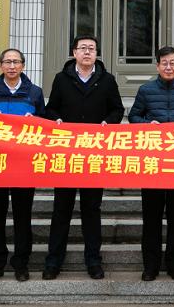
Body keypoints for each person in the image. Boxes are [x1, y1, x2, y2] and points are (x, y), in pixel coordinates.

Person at [40, 35, 124, 280]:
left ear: (97, 53)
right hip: (67, 154)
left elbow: (117, 109)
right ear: (74, 52)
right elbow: (51, 108)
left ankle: (93, 261)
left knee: (91, 209)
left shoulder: (107, 80)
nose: (87, 52)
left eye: (92, 49)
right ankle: (53, 261)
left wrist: (108, 122)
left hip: (93, 154)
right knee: (61, 209)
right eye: (83, 48)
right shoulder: (61, 78)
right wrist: (55, 119)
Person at [128, 46, 174, 281]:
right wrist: (146, 125)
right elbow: (133, 117)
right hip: (152, 162)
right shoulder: (146, 90)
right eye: (164, 63)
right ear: (157, 66)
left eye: (172, 63)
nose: (168, 67)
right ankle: (150, 266)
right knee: (151, 217)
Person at [0, 47, 46, 283]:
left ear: (23, 66)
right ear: (0, 66)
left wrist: (34, 122)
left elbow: (45, 126)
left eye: (16, 62)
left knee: (22, 216)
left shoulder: (35, 93)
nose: (12, 66)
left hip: (23, 164)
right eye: (7, 62)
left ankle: (21, 263)